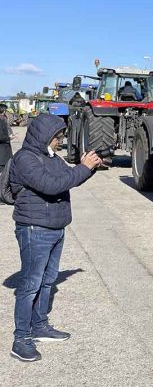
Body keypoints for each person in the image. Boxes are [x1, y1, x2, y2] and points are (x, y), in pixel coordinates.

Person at [8, 113, 102, 362]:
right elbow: (52, 185)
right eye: (57, 136)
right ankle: (21, 339)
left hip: (55, 228)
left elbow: (68, 179)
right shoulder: (25, 159)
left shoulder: (52, 157)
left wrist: (88, 169)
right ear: (44, 135)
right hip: (34, 229)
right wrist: (83, 168)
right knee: (30, 285)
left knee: (48, 281)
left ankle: (39, 326)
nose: (60, 140)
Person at [0, 104, 12, 169]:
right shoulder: (2, 121)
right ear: (4, 111)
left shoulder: (4, 120)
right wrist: (10, 138)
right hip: (2, 154)